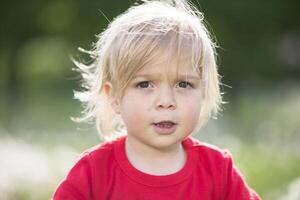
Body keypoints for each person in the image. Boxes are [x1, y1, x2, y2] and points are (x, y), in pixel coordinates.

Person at [53, 0, 261, 199]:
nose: (166, 101)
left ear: (203, 92)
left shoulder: (218, 171)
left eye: (183, 84)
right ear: (114, 96)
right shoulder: (93, 172)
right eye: (144, 84)